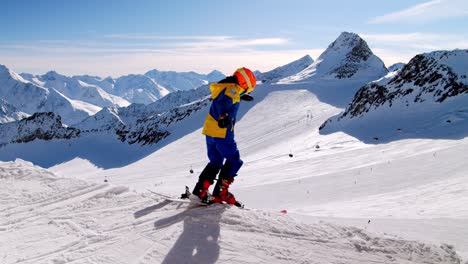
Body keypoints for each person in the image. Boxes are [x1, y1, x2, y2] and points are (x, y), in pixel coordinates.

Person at [191, 67, 256, 205]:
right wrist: (224, 115)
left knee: (216, 162)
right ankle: (221, 193)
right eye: (248, 89)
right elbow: (224, 102)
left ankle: (199, 192)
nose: (247, 91)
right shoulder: (232, 91)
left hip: (210, 131)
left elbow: (227, 97)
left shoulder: (226, 87)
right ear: (245, 84)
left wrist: (241, 96)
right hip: (222, 132)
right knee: (234, 160)